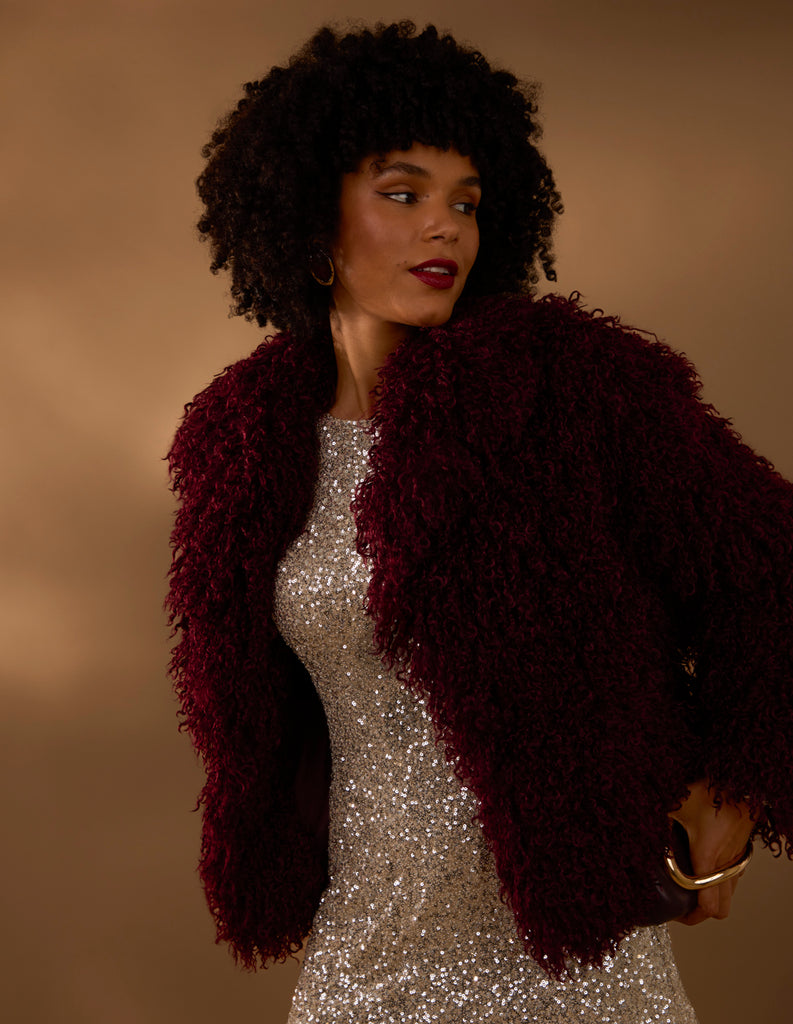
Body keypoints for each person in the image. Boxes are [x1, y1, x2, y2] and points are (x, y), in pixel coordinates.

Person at [166, 21, 793, 1023]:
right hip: (363, 962)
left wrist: (734, 796)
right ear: (310, 217)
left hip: (574, 967)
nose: (445, 228)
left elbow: (770, 568)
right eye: (402, 194)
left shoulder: (568, 388)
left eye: (465, 202)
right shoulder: (243, 446)